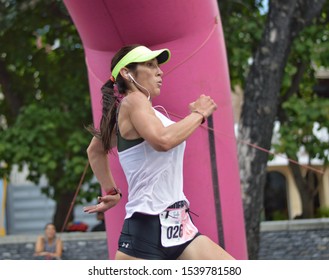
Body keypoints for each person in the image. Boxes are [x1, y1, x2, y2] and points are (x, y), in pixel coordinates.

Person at [84, 44, 235, 260]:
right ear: (127, 73)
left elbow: (95, 150)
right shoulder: (133, 101)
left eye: (159, 66)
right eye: (150, 65)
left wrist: (111, 192)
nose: (160, 71)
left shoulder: (143, 112)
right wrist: (199, 113)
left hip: (179, 227)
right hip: (146, 229)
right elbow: (163, 140)